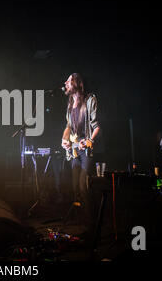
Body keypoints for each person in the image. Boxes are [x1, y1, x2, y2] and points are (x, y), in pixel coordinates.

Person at [61, 73, 101, 227]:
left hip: (86, 151)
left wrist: (90, 140)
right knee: (75, 188)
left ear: (77, 83)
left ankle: (92, 224)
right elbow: (68, 127)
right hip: (74, 151)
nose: (65, 82)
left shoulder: (90, 100)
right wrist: (64, 139)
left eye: (69, 80)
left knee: (84, 187)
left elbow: (97, 126)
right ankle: (83, 223)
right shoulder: (70, 103)